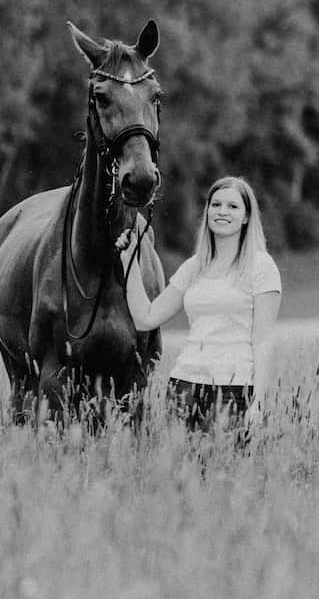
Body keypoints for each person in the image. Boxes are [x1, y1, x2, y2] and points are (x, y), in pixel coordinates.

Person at [118, 176, 282, 437]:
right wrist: (129, 263)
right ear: (207, 213)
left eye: (232, 206)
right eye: (215, 205)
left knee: (224, 471)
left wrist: (258, 403)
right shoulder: (194, 267)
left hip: (233, 390)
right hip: (184, 386)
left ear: (247, 217)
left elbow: (262, 340)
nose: (222, 212)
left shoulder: (261, 267)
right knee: (183, 473)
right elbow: (146, 318)